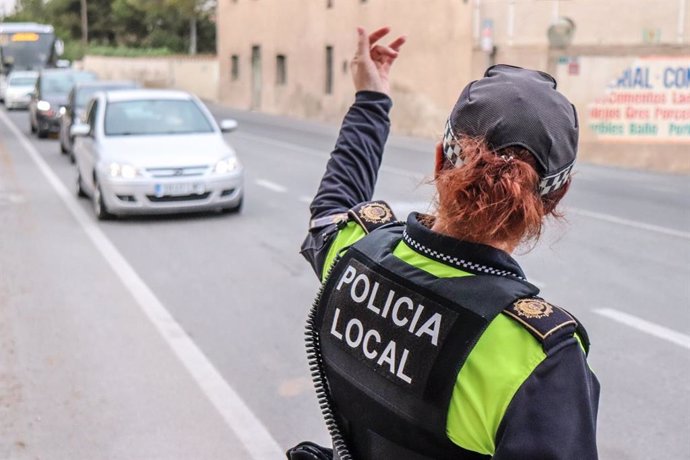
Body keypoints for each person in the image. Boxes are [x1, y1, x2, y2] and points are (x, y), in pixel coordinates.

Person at [291, 26, 600, 460]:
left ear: (440, 160)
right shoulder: (541, 359)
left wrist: (371, 99)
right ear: (552, 200)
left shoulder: (354, 255)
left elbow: (330, 209)